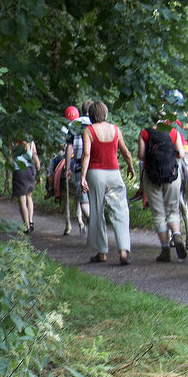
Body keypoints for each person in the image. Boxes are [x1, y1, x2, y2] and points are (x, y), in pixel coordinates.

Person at [80, 101, 136, 264]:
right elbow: (125, 152)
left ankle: (102, 252)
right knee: (120, 210)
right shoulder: (115, 130)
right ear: (105, 113)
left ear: (90, 115)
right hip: (114, 173)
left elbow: (86, 154)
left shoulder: (89, 131)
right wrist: (130, 166)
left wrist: (83, 176)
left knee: (97, 211)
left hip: (95, 174)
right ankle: (123, 251)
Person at [138, 113, 188, 262]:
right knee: (172, 210)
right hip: (171, 176)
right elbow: (181, 153)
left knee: (159, 214)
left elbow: (141, 156)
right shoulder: (173, 132)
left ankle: (165, 250)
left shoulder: (145, 133)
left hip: (152, 177)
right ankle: (177, 235)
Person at [65, 100, 94, 223]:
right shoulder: (96, 123)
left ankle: (52, 189)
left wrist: (67, 168)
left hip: (78, 164)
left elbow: (69, 147)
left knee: (84, 199)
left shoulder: (74, 124)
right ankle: (96, 223)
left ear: (81, 111)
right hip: (95, 164)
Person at [7, 136, 41, 233]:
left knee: (22, 198)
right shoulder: (30, 142)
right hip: (31, 170)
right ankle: (30, 221)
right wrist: (39, 175)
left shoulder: (13, 143)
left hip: (19, 171)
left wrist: (7, 178)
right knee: (29, 196)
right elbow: (36, 157)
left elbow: (10, 159)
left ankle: (26, 226)